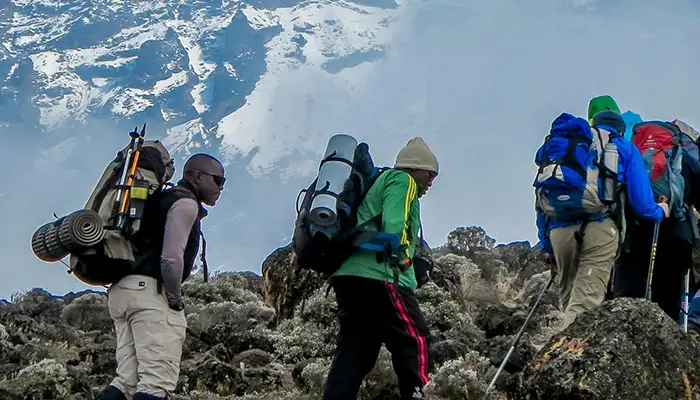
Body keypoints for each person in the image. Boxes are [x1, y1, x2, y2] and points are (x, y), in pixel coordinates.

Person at [98, 153, 226, 400]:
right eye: (218, 180)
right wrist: (174, 298)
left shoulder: (157, 199)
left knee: (127, 381)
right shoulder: (185, 203)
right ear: (197, 176)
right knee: (156, 383)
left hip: (122, 291)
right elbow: (170, 258)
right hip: (150, 294)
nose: (220, 188)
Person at [535, 100, 670, 331]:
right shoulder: (622, 146)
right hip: (600, 226)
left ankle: (560, 351)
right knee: (586, 300)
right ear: (620, 128)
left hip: (559, 230)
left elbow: (541, 199)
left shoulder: (566, 148)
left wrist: (546, 243)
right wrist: (660, 211)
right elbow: (641, 201)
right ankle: (568, 359)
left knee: (569, 297)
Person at [322, 137, 438, 400]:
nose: (432, 179)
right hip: (381, 275)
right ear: (414, 168)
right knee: (414, 339)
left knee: (356, 350)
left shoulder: (380, 181)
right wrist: (405, 261)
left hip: (348, 275)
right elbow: (394, 227)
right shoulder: (402, 180)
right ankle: (420, 395)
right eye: (429, 172)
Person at [614, 120, 700, 322]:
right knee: (668, 297)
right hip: (676, 233)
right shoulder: (683, 159)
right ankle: (667, 338)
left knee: (629, 293)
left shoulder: (631, 155)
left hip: (635, 233)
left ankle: (624, 330)